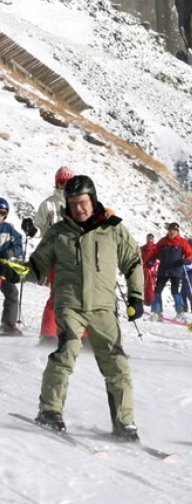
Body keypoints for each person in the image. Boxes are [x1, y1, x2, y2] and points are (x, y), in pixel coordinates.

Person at [0, 175, 144, 440]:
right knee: (66, 353)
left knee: (117, 364)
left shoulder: (113, 229)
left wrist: (136, 296)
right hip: (69, 306)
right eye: (74, 203)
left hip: (103, 308)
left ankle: (124, 422)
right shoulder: (58, 233)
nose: (79, 208)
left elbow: (133, 261)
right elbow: (37, 266)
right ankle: (50, 411)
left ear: (93, 200)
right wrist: (17, 271)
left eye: (83, 202)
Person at [21, 166, 75, 341]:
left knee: (84, 295)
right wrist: (31, 229)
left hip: (78, 256)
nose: (64, 186)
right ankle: (49, 335)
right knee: (57, 295)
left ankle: (86, 336)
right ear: (56, 183)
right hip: (56, 255)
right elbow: (40, 228)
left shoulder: (79, 202)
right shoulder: (49, 204)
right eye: (61, 182)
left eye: (67, 183)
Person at [144, 222, 192, 317]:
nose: (171, 232)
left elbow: (190, 255)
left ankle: (180, 312)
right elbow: (155, 252)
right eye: (170, 230)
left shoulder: (182, 242)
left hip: (176, 270)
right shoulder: (163, 241)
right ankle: (156, 311)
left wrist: (186, 260)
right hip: (163, 269)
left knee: (174, 291)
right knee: (158, 290)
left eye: (174, 230)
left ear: (177, 231)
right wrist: (151, 260)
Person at [0, 198, 23, 334]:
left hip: (3, 268)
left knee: (12, 292)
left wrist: (12, 252)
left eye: (2, 213)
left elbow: (19, 244)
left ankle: (9, 324)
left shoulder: (8, 229)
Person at [140, 233, 158, 307]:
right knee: (143, 285)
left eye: (151, 238)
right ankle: (144, 300)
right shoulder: (143, 248)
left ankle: (151, 301)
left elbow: (158, 257)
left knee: (151, 286)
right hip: (144, 269)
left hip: (152, 269)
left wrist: (154, 265)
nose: (150, 239)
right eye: (149, 238)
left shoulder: (155, 248)